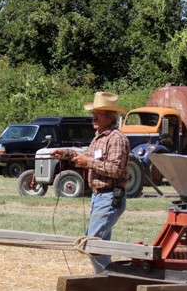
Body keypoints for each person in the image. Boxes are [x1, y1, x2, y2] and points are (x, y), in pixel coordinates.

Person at [52, 91, 130, 273]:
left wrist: (88, 163)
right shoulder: (99, 137)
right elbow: (87, 155)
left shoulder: (116, 139)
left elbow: (116, 170)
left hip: (110, 197)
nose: (93, 117)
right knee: (99, 246)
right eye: (93, 113)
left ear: (111, 118)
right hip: (100, 198)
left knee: (93, 244)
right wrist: (65, 152)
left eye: (98, 114)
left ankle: (108, 281)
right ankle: (108, 280)